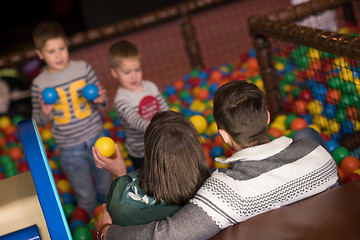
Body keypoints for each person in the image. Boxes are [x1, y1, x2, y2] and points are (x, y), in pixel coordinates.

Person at [95, 80, 340, 239]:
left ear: (222, 135)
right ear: (267, 117)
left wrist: (107, 232)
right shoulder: (318, 153)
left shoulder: (225, 189)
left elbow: (166, 234)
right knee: (305, 132)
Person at [31, 19, 112, 218]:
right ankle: (93, 224)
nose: (58, 55)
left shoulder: (83, 68)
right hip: (69, 147)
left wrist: (102, 98)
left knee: (107, 186)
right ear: (40, 54)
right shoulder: (39, 83)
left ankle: (113, 217)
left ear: (67, 46)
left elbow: (102, 99)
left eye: (62, 48)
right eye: (51, 51)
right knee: (84, 193)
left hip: (96, 138)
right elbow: (38, 121)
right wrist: (46, 111)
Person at [93, 110, 210, 227]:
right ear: (196, 152)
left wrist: (120, 174)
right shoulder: (211, 193)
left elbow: (117, 221)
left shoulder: (121, 202)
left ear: (149, 152)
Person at [109, 40, 169, 170]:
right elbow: (134, 121)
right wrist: (158, 127)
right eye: (127, 72)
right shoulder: (121, 99)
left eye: (137, 70)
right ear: (114, 73)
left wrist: (171, 122)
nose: (133, 76)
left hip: (163, 143)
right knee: (148, 181)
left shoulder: (151, 87)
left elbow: (164, 109)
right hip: (141, 152)